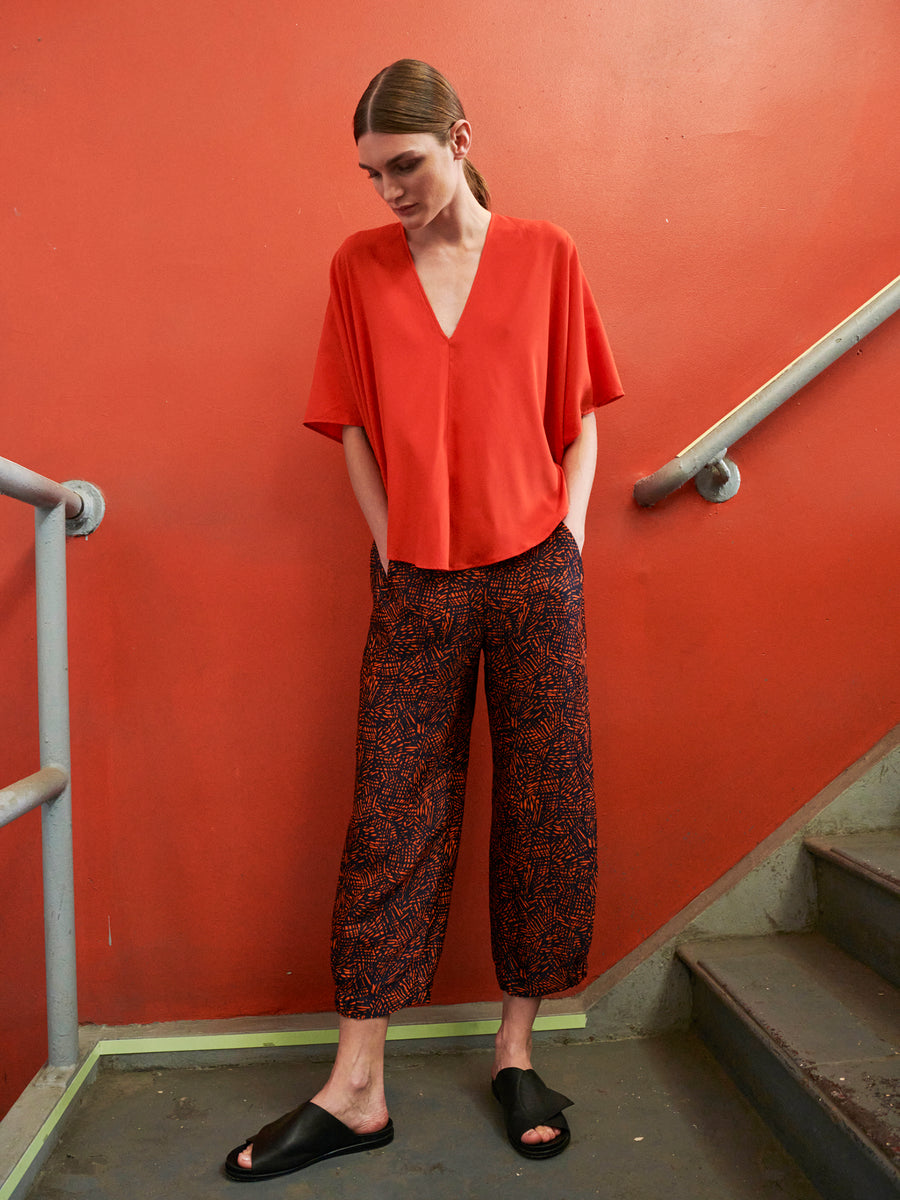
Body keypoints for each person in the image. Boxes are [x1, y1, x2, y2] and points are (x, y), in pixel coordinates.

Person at [225, 58, 622, 1182]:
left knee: (549, 800)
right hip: (419, 579)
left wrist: (572, 537)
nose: (388, 191)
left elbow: (581, 418)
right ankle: (357, 1086)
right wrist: (390, 536)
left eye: (404, 165)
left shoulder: (547, 254)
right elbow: (347, 421)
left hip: (537, 568)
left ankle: (514, 1050)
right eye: (370, 174)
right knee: (392, 808)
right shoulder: (358, 268)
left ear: (459, 135)